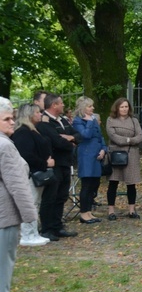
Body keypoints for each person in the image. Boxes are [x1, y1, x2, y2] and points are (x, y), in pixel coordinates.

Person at [0, 97, 38, 292]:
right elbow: (17, 185)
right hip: (4, 212)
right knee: (4, 257)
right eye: (6, 119)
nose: (12, 122)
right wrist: (30, 215)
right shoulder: (5, 146)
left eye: (12, 118)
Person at [37, 94, 80, 240]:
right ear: (54, 105)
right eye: (61, 103)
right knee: (50, 196)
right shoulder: (44, 122)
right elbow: (56, 142)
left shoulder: (63, 120)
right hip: (54, 163)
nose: (63, 105)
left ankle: (57, 226)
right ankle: (47, 228)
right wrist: (69, 141)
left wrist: (71, 138)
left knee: (62, 195)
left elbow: (78, 135)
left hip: (66, 163)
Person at [11, 103, 54, 246]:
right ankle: (27, 235)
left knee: (35, 202)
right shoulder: (23, 132)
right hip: (30, 173)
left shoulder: (32, 130)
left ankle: (34, 232)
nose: (40, 114)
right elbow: (26, 155)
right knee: (31, 203)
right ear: (29, 115)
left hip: (36, 171)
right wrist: (45, 163)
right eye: (37, 112)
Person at [105, 98, 142, 220]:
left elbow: (140, 136)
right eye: (122, 107)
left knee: (131, 183)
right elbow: (113, 136)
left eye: (126, 106)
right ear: (117, 108)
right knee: (113, 183)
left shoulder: (134, 121)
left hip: (131, 154)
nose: (124, 109)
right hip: (115, 154)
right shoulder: (111, 120)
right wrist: (129, 140)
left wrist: (127, 141)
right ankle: (111, 211)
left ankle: (132, 210)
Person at [72, 96, 108, 224]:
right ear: (83, 108)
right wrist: (90, 122)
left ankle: (88, 212)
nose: (92, 108)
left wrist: (103, 149)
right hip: (86, 155)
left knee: (94, 184)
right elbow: (85, 135)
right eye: (89, 106)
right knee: (86, 185)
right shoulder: (78, 121)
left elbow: (101, 137)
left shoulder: (93, 119)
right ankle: (83, 213)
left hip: (97, 155)